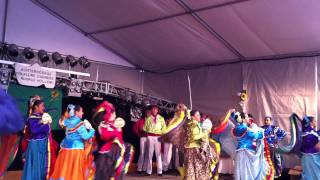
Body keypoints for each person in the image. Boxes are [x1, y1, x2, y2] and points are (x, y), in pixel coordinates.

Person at [50, 104, 95, 180]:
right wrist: (92, 130)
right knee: (75, 170)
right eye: (81, 111)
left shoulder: (67, 121)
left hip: (65, 150)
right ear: (76, 112)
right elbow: (85, 136)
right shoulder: (80, 123)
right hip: (76, 150)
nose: (83, 113)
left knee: (66, 169)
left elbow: (61, 123)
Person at [94, 101, 134, 180]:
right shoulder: (102, 125)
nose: (115, 115)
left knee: (118, 169)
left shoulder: (117, 122)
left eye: (114, 113)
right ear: (108, 115)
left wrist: (114, 129)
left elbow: (119, 134)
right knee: (103, 170)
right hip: (108, 150)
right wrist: (114, 131)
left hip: (118, 149)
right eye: (113, 114)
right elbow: (105, 136)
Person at [22, 100, 52, 180]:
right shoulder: (32, 118)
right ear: (36, 107)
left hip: (42, 143)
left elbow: (46, 131)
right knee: (35, 166)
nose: (44, 108)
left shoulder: (41, 117)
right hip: (35, 144)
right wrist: (45, 125)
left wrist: (46, 123)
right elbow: (34, 130)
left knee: (42, 166)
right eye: (42, 106)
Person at [233, 112, 267, 180]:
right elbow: (255, 135)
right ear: (242, 119)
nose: (247, 118)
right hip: (246, 153)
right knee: (247, 171)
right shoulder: (245, 128)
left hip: (239, 152)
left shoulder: (236, 128)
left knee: (240, 172)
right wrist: (262, 132)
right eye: (246, 117)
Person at [184, 110, 211, 180]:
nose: (199, 116)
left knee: (193, 168)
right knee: (196, 168)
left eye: (199, 115)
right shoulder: (193, 124)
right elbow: (195, 137)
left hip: (193, 148)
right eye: (198, 115)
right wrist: (204, 133)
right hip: (193, 149)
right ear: (193, 117)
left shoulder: (193, 124)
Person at [143, 105, 166, 176]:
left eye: (156, 109)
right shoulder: (148, 118)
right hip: (150, 136)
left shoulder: (161, 118)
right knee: (150, 154)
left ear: (157, 110)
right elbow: (145, 128)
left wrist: (162, 134)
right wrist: (149, 132)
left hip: (158, 137)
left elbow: (164, 128)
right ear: (151, 110)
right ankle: (148, 171)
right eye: (153, 109)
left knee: (158, 154)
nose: (154, 110)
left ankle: (160, 171)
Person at [300, 116, 320, 180]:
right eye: (314, 121)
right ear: (311, 123)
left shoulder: (311, 132)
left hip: (312, 157)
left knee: (314, 174)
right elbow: (315, 145)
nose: (315, 122)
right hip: (311, 158)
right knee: (312, 175)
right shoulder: (308, 134)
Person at [132, 107, 150, 173]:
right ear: (145, 113)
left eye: (149, 113)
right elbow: (134, 127)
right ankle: (139, 168)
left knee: (148, 154)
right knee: (142, 153)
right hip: (143, 138)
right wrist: (138, 133)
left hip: (150, 138)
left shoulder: (152, 122)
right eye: (147, 113)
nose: (148, 114)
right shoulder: (141, 120)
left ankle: (144, 168)